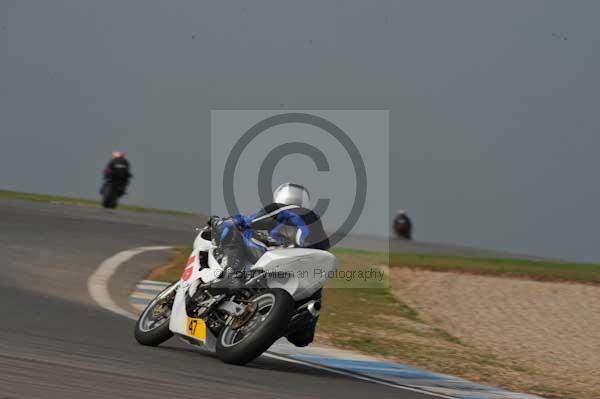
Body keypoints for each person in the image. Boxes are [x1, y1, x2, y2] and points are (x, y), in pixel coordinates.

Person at [210, 182, 330, 288]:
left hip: (294, 253)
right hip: (316, 259)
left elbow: (248, 221)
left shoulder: (280, 209)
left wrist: (219, 222)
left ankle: (232, 275)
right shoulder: (313, 217)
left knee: (235, 231)